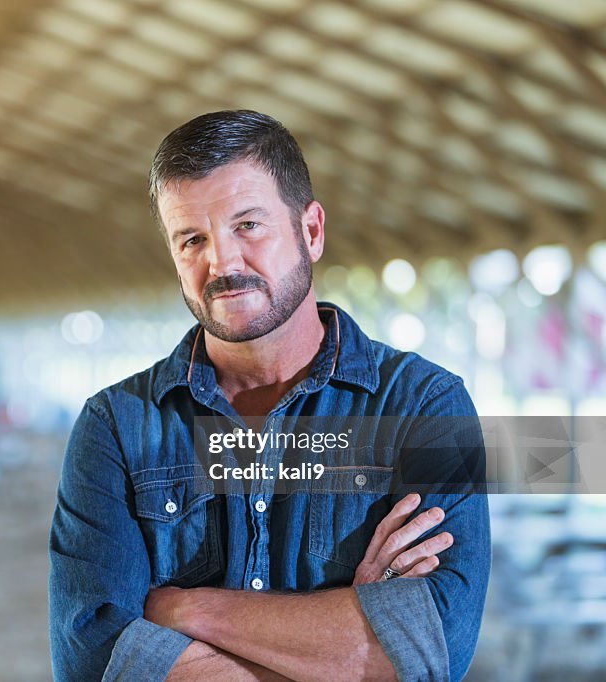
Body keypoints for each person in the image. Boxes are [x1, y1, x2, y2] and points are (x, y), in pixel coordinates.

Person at [49, 110, 489, 681]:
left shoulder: (423, 405)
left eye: (248, 226)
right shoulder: (116, 425)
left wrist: (187, 608)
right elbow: (91, 663)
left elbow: (435, 648)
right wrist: (341, 638)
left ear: (311, 232)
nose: (222, 262)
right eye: (192, 239)